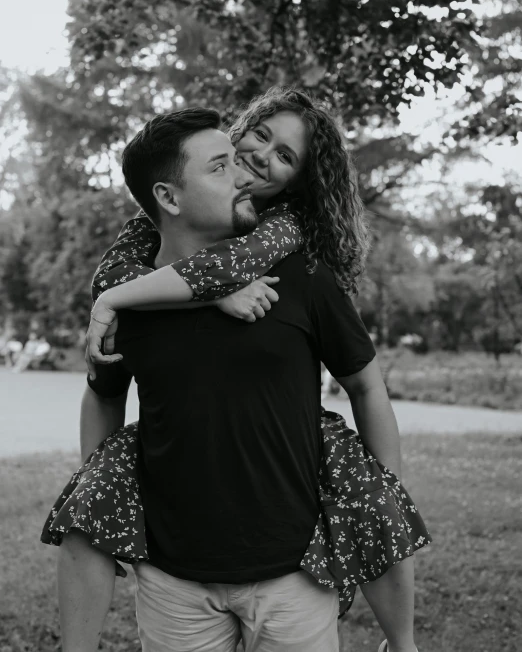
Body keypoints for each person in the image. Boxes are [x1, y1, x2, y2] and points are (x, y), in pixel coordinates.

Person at [42, 92, 429, 652]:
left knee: (376, 501)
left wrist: (378, 491)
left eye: (284, 156)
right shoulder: (132, 292)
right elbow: (102, 393)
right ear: (168, 197)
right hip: (175, 579)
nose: (250, 166)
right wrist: (110, 487)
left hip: (292, 574)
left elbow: (366, 384)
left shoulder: (298, 267)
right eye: (230, 158)